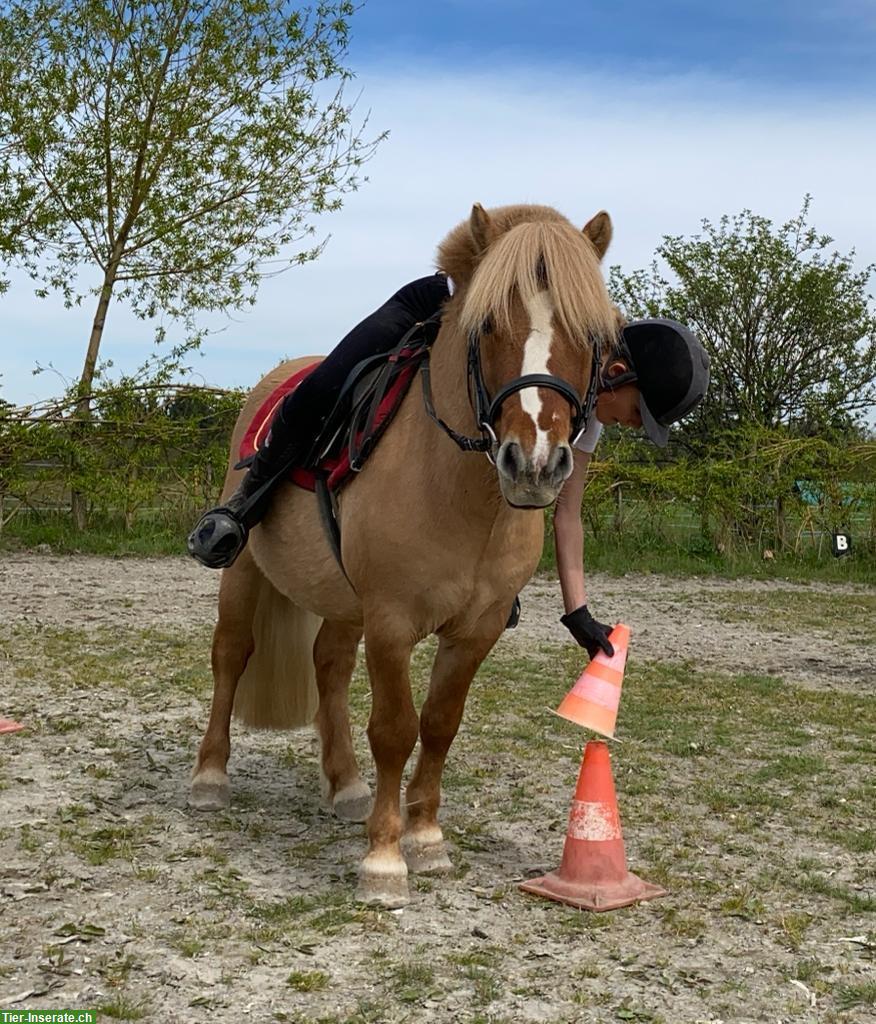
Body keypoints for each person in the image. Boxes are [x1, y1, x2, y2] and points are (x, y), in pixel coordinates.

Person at [187, 275, 709, 660]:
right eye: (639, 415)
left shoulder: (583, 407)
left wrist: (577, 611)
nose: (633, 427)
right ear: (617, 375)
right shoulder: (568, 350)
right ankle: (244, 504)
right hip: (441, 303)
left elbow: (565, 513)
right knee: (324, 386)